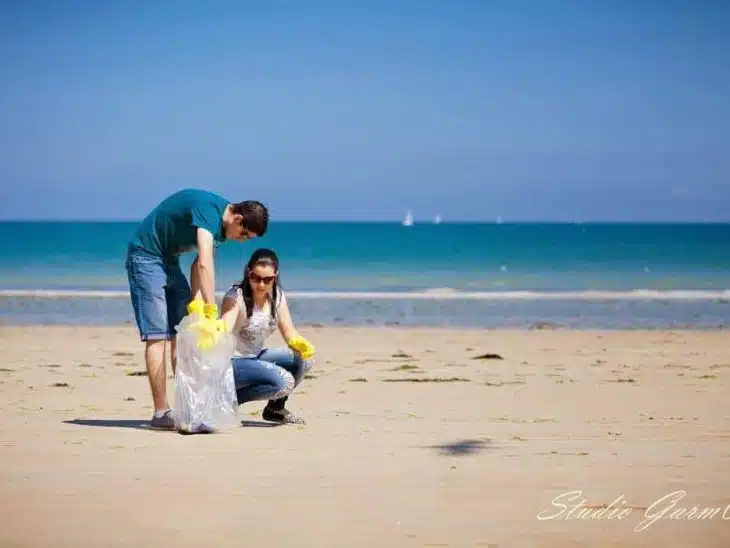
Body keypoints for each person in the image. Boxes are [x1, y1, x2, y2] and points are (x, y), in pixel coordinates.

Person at [125, 188, 268, 429]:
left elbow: (195, 268)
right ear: (237, 219)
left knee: (183, 334)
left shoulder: (222, 231)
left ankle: (188, 407)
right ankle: (161, 412)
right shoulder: (208, 213)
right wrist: (212, 310)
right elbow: (204, 263)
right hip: (145, 257)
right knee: (159, 336)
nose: (242, 240)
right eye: (244, 234)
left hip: (169, 261)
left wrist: (197, 305)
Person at [220, 248, 315, 425]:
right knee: (284, 382)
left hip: (255, 357)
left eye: (267, 279)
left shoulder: (277, 296)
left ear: (275, 276)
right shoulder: (235, 296)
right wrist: (213, 329)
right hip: (232, 361)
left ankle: (275, 409)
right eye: (255, 277)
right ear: (248, 272)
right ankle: (226, 401)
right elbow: (225, 324)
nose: (261, 284)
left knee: (305, 360)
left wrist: (301, 343)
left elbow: (289, 333)